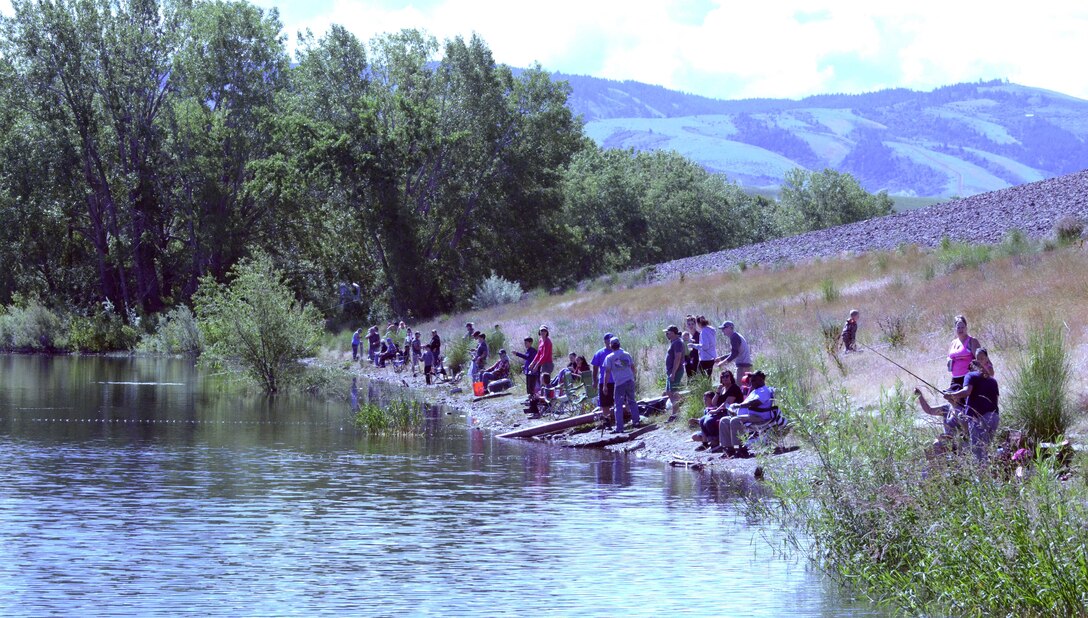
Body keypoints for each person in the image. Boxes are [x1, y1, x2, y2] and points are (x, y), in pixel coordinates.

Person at [916, 358, 999, 462]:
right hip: (948, 440)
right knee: (934, 444)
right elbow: (929, 410)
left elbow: (966, 432)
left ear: (958, 396)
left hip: (960, 442)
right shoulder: (946, 408)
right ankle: (938, 469)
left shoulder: (964, 411)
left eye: (951, 394)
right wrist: (920, 396)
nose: (949, 396)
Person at [716, 370, 774, 457]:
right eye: (751, 380)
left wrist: (738, 406)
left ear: (761, 380)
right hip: (749, 416)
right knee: (724, 420)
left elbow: (755, 402)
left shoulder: (764, 391)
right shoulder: (754, 391)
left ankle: (739, 449)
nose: (752, 382)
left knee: (735, 421)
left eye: (754, 380)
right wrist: (734, 409)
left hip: (759, 417)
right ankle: (728, 449)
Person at [604, 337, 639, 434]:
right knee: (632, 401)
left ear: (611, 346)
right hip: (629, 380)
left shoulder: (609, 357)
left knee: (618, 405)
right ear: (619, 344)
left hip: (619, 383)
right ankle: (636, 422)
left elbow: (607, 372)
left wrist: (605, 385)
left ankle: (619, 427)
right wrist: (632, 377)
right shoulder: (626, 354)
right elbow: (632, 367)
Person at [947, 315, 981, 388]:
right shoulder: (953, 343)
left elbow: (980, 359)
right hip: (955, 377)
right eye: (958, 327)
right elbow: (948, 356)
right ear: (955, 329)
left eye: (962, 327)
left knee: (966, 398)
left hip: (968, 377)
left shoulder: (972, 341)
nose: (960, 329)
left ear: (966, 327)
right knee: (952, 397)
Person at [591, 332, 615, 421]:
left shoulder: (617, 351)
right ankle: (607, 421)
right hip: (604, 382)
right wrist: (595, 380)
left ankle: (619, 419)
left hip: (617, 380)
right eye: (608, 341)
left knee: (618, 401)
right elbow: (595, 368)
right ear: (605, 342)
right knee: (605, 404)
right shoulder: (599, 353)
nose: (609, 343)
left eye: (611, 341)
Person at [663, 325, 686, 408]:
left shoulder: (678, 342)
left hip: (675, 371)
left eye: (668, 332)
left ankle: (675, 413)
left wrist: (673, 373)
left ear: (673, 333)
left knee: (673, 392)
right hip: (671, 371)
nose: (666, 334)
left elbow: (678, 358)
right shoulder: (673, 342)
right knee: (668, 392)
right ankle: (678, 408)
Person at [528, 325, 554, 389]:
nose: (543, 332)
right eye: (542, 330)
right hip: (543, 364)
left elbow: (544, 356)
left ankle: (549, 395)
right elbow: (539, 353)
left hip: (548, 364)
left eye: (545, 330)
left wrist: (536, 365)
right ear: (539, 331)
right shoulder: (540, 340)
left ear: (547, 332)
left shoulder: (548, 342)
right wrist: (533, 363)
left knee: (545, 382)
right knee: (542, 381)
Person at [514, 336, 538, 401]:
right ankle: (530, 397)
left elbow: (527, 357)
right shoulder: (528, 350)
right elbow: (528, 360)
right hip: (528, 371)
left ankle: (533, 398)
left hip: (532, 372)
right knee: (528, 385)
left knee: (531, 385)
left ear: (531, 343)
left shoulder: (533, 351)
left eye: (526, 343)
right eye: (524, 343)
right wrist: (524, 366)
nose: (525, 344)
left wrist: (517, 354)